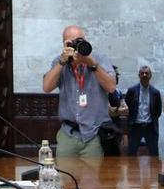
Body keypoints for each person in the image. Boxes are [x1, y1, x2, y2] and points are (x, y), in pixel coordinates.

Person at [41, 25, 117, 157]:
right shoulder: (60, 62)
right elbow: (46, 87)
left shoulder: (99, 59)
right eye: (71, 43)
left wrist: (92, 64)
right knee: (65, 174)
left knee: (93, 176)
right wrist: (62, 62)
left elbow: (111, 87)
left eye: (80, 40)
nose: (77, 46)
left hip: (94, 134)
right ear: (65, 45)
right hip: (68, 133)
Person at [125, 64, 162, 156]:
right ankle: (132, 170)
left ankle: (155, 170)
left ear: (150, 76)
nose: (144, 75)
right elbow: (126, 107)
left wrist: (151, 119)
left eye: (147, 73)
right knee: (131, 153)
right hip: (135, 126)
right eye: (142, 73)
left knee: (154, 153)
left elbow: (158, 111)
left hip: (150, 126)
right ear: (139, 75)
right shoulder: (132, 91)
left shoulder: (155, 93)